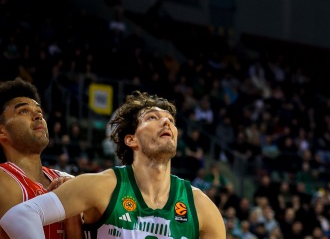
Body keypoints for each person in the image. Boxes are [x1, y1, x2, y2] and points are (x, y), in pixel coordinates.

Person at [0, 90, 226, 239]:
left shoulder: (202, 207)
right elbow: (19, 216)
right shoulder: (100, 186)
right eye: (152, 118)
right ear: (131, 139)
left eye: (171, 120)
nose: (166, 122)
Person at [0, 79, 81, 239]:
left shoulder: (65, 179)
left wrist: (73, 218)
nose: (38, 116)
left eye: (40, 112)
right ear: (2, 131)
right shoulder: (3, 180)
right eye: (23, 111)